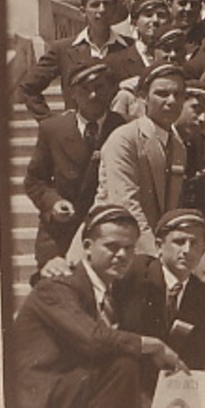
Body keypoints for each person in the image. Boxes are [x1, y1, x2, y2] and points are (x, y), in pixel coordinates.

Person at [7, 205, 182, 408]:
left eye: (129, 248)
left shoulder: (106, 286)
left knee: (120, 361)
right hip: (30, 399)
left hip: (56, 388)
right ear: (87, 247)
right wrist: (154, 345)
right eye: (112, 247)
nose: (122, 255)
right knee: (121, 365)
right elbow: (93, 339)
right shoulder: (59, 285)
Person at [113, 208, 205, 399]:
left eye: (194, 244)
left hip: (162, 389)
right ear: (159, 246)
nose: (187, 250)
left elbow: (200, 352)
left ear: (202, 251)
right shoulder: (135, 271)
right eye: (179, 242)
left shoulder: (201, 296)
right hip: (121, 381)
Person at [24, 61, 125, 272]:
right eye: (85, 89)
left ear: (110, 90)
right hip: (59, 236)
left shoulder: (123, 129)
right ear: (73, 94)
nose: (93, 96)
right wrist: (54, 202)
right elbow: (34, 180)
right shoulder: (53, 129)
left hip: (107, 237)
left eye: (99, 88)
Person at [94, 64, 189, 256]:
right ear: (143, 97)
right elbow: (126, 204)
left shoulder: (178, 146)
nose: (171, 101)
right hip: (110, 250)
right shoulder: (125, 139)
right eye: (162, 94)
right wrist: (157, 255)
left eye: (178, 95)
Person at [18, 0, 133, 120]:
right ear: (83, 11)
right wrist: (51, 122)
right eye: (95, 4)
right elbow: (28, 87)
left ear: (115, 10)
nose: (102, 10)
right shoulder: (63, 49)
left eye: (107, 4)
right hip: (79, 135)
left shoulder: (130, 47)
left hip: (119, 134)